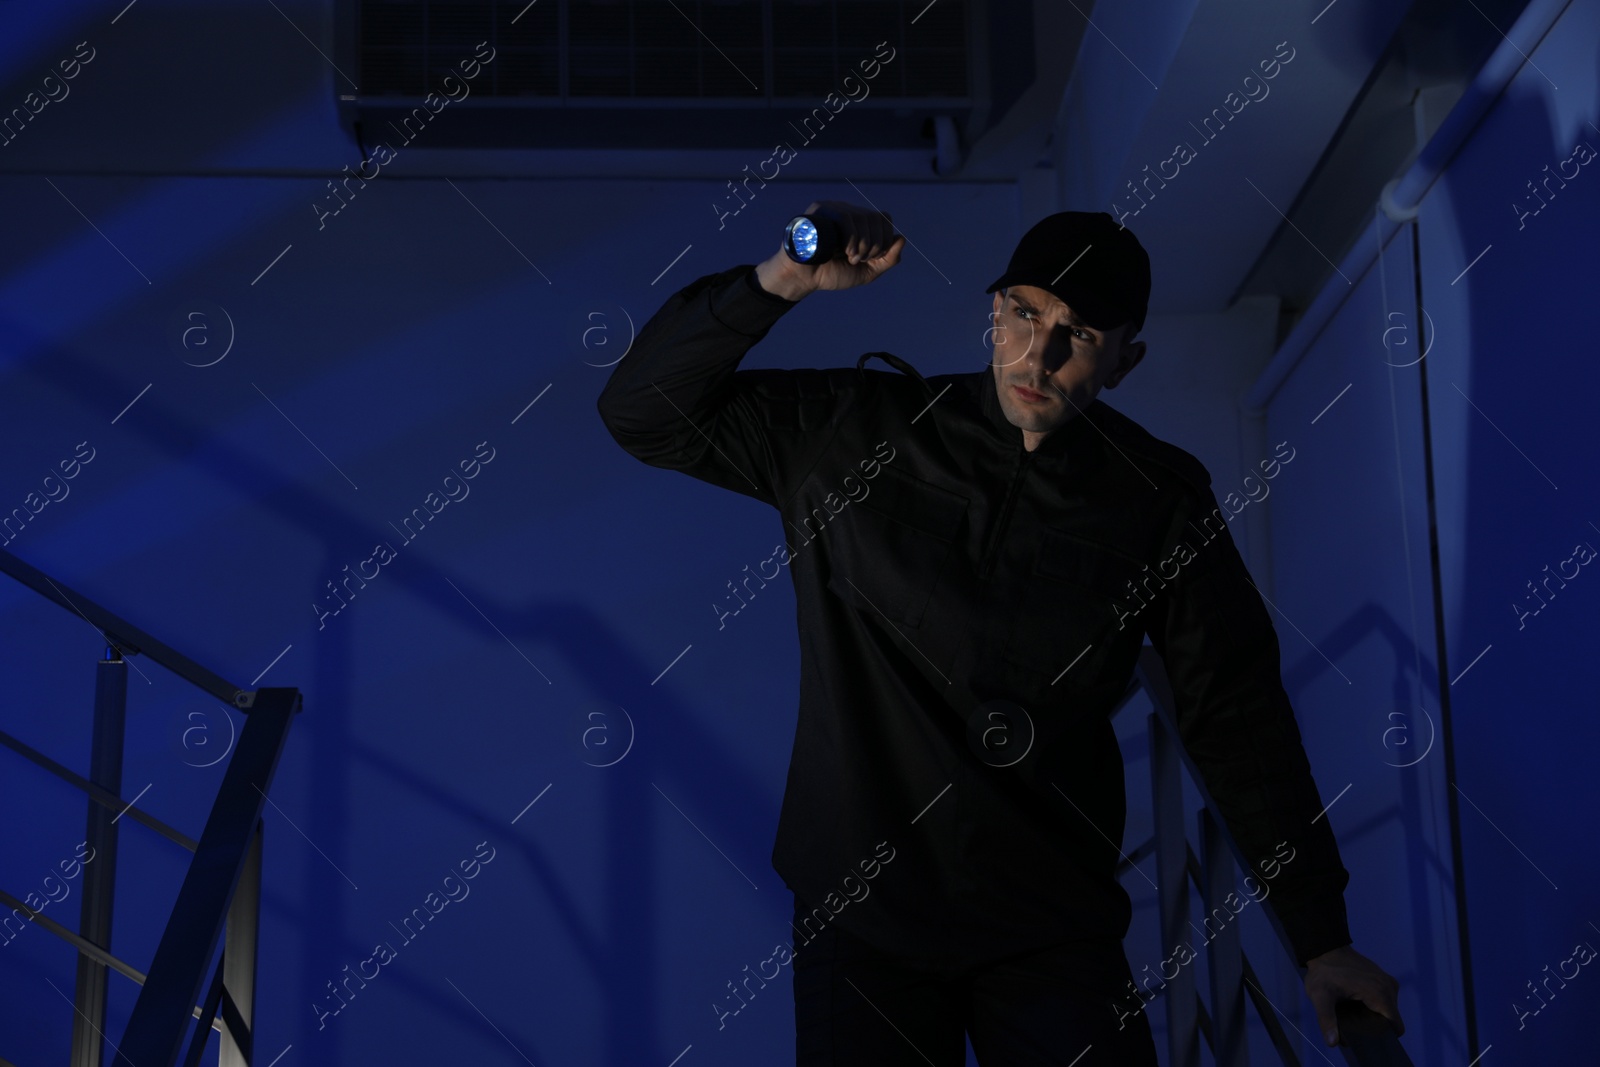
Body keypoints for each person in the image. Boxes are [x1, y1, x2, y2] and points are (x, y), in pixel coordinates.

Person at [596, 202, 1404, 1064]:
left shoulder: (1158, 499)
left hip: (1049, 922)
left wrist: (1320, 935)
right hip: (864, 917)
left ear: (1125, 362)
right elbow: (642, 410)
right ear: (992, 311)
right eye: (1024, 313)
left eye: (1078, 333)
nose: (1040, 354)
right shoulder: (858, 430)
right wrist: (786, 275)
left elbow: (1234, 714)